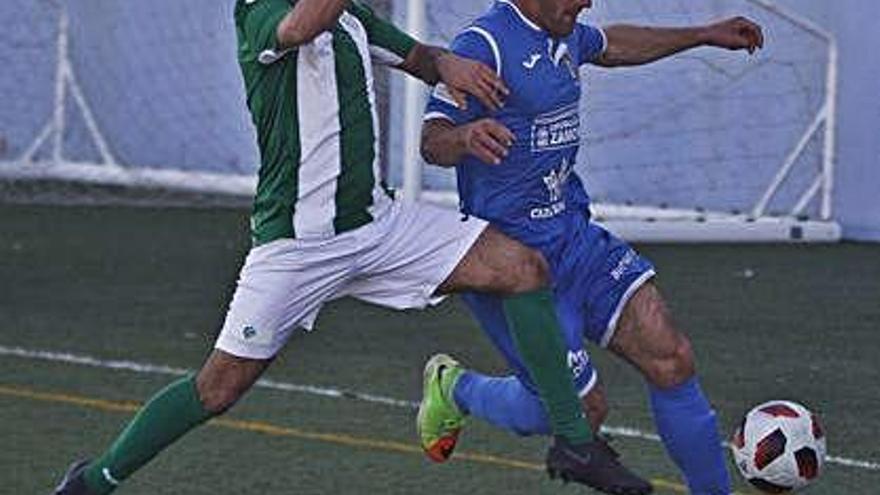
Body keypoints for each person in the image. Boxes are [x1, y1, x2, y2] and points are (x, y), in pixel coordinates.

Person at [51, 0, 648, 493]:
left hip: (378, 226)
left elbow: (418, 56)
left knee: (522, 268)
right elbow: (301, 25)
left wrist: (449, 67)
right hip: (299, 245)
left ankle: (576, 445)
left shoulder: (351, 18)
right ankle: (94, 481)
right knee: (218, 388)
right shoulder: (260, 11)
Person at [416, 0, 764, 493]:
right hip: (513, 266)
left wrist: (703, 34)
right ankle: (456, 388)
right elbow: (432, 141)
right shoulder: (483, 45)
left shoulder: (567, 31)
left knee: (672, 357)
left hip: (576, 242)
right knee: (583, 410)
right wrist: (465, 136)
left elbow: (612, 45)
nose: (586, 3)